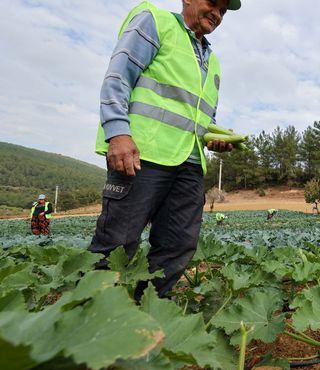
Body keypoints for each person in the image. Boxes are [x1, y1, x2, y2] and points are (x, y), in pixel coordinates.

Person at [88, 0, 241, 301]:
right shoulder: (155, 22)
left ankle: (148, 311)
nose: (217, 14)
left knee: (178, 244)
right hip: (143, 156)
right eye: (213, 3)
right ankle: (90, 319)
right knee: (118, 242)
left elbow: (202, 118)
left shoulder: (213, 61)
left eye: (223, 11)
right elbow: (118, 77)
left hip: (190, 164)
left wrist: (216, 138)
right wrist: (118, 132)